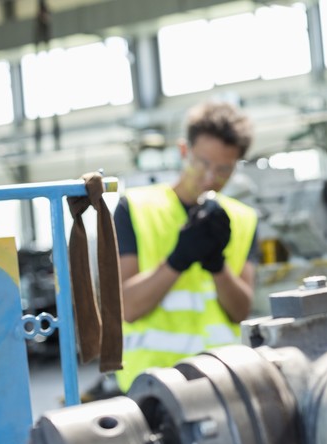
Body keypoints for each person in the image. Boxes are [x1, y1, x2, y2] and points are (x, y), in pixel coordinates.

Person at [111, 100, 259, 393]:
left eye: (223, 169)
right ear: (183, 151)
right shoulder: (136, 208)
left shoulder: (243, 219)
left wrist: (217, 265)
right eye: (202, 163)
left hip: (221, 379)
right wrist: (178, 260)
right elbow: (126, 308)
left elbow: (240, 311)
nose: (209, 177)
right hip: (152, 384)